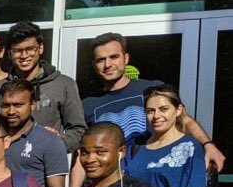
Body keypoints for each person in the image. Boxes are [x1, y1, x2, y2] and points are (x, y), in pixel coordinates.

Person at [81, 32, 223, 172]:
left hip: (154, 173)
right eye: (101, 60)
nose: (108, 64)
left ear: (126, 58)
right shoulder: (88, 105)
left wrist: (208, 145)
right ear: (94, 65)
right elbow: (82, 152)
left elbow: (184, 120)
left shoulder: (152, 89)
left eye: (114, 57)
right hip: (111, 180)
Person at [0, 22, 85, 153]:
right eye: (18, 50)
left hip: (46, 165)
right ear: (9, 53)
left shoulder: (64, 84)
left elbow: (79, 130)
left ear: (41, 48)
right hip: (8, 163)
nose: (24, 55)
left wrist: (58, 143)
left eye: (30, 48)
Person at [0, 78, 69, 187]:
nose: (11, 111)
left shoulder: (49, 141)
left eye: (18, 105)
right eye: (6, 105)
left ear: (32, 105)